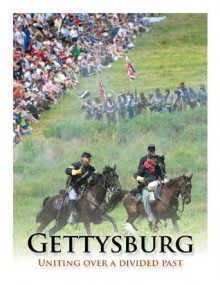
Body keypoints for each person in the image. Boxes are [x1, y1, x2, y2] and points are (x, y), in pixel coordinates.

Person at [134, 154, 168, 222]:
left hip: (157, 185)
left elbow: (162, 174)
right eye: (153, 159)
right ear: (149, 160)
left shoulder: (157, 167)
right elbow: (136, 174)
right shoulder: (143, 167)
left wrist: (165, 179)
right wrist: (139, 178)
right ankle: (148, 213)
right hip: (146, 186)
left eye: (156, 159)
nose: (155, 161)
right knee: (146, 196)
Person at [65, 151, 95, 224]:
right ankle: (70, 216)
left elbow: (95, 175)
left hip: (84, 187)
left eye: (89, 158)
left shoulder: (91, 168)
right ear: (82, 158)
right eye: (87, 158)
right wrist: (76, 172)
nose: (88, 159)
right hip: (73, 186)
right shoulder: (77, 164)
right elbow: (67, 171)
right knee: (72, 198)